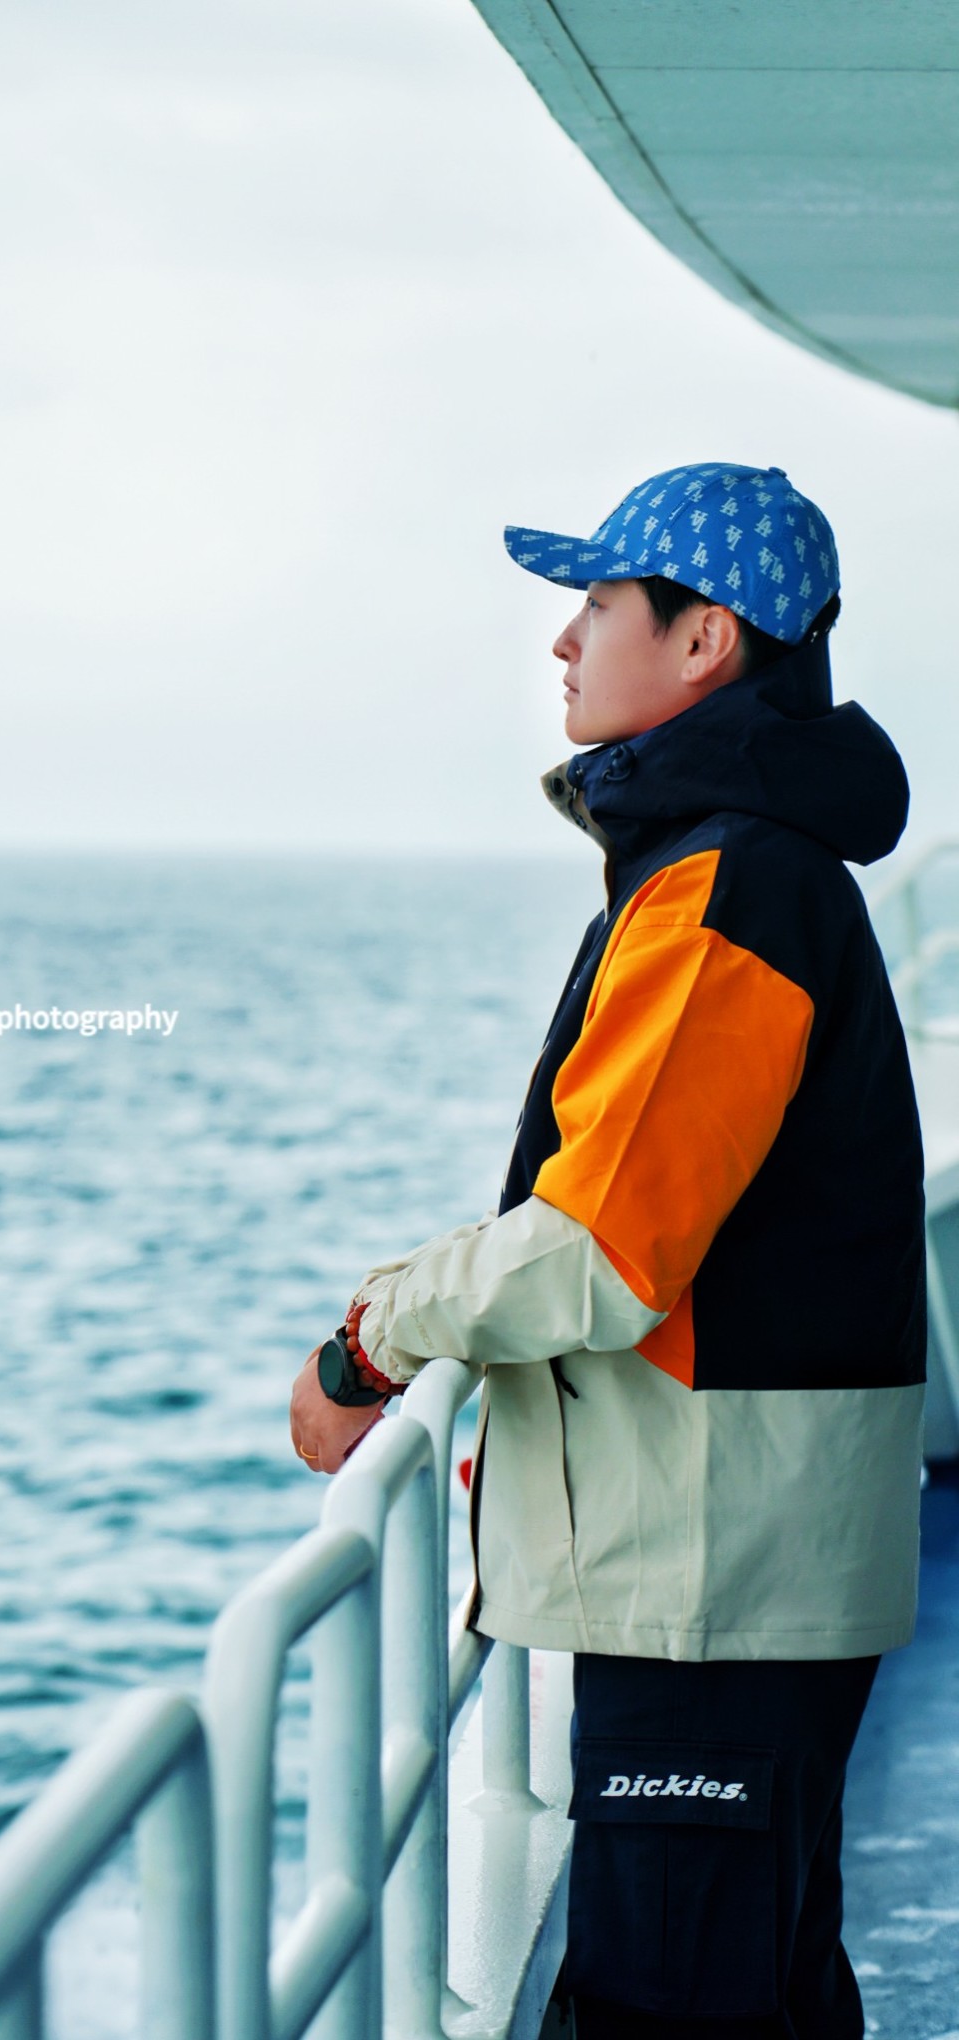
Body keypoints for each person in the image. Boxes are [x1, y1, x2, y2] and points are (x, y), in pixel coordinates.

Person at [290, 462, 926, 2040]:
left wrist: (374, 1337)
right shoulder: (746, 867)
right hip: (740, 1563)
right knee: (762, 1993)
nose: (564, 642)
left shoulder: (727, 890)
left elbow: (596, 1255)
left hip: (712, 1586)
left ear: (706, 639)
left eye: (596, 604)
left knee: (669, 2008)